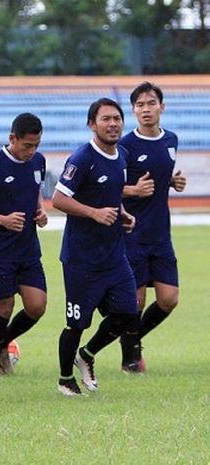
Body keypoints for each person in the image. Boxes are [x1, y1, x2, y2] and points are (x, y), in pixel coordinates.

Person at [52, 98, 138, 396]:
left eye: (117, 118)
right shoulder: (82, 158)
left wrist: (122, 213)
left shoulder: (122, 155)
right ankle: (65, 380)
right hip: (81, 258)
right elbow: (58, 199)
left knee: (128, 313)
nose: (113, 124)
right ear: (92, 124)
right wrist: (94, 213)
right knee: (76, 323)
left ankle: (86, 355)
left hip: (114, 255)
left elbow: (112, 195)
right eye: (106, 119)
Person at [0, 113, 48, 377]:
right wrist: (2, 219)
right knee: (4, 307)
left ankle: (0, 344)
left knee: (37, 306)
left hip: (28, 247)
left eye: (36, 145)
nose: (32, 151)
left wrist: (40, 210)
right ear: (12, 138)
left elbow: (35, 188)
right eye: (27, 145)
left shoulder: (38, 161)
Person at [118, 82, 186, 372]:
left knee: (169, 299)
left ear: (162, 107)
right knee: (136, 301)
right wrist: (132, 191)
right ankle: (131, 359)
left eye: (151, 103)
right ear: (133, 110)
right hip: (132, 235)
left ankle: (130, 341)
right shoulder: (125, 146)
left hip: (161, 234)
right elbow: (108, 187)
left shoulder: (171, 140)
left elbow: (160, 173)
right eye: (140, 105)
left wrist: (173, 181)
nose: (146, 109)